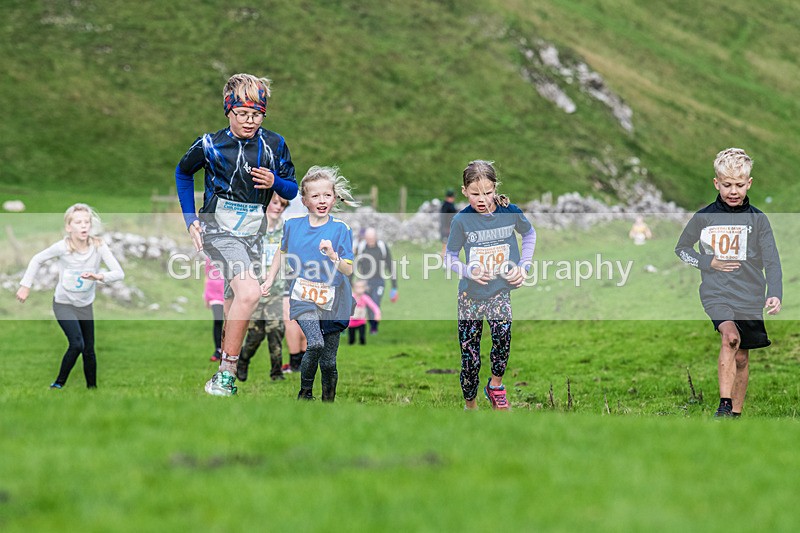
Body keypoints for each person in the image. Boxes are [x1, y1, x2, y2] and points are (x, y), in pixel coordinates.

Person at [175, 73, 298, 396]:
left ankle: (220, 376)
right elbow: (183, 172)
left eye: (256, 114)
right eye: (242, 114)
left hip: (252, 235)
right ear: (228, 110)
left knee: (234, 301)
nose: (249, 121)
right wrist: (191, 220)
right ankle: (227, 373)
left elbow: (292, 189)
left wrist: (274, 182)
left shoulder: (275, 145)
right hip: (218, 231)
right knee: (249, 293)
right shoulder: (210, 145)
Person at [675, 148, 782, 418]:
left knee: (743, 357)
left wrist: (775, 293)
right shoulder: (704, 217)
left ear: (749, 183)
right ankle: (723, 405)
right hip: (716, 291)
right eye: (726, 185)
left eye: (738, 185)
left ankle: (735, 414)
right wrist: (707, 263)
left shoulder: (759, 220)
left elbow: (772, 260)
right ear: (716, 183)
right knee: (731, 337)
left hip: (749, 293)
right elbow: (682, 249)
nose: (732, 191)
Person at [261, 166, 358, 402]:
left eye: (327, 195)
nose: (322, 200)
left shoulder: (341, 229)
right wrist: (270, 278)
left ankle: (327, 402)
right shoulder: (293, 226)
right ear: (304, 200)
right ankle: (305, 393)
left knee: (329, 360)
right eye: (315, 196)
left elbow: (348, 268)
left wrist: (334, 255)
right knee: (314, 343)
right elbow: (281, 253)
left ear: (334, 197)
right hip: (303, 296)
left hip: (334, 300)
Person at [445, 160, 536, 411]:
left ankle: (495, 386)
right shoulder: (461, 221)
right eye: (475, 194)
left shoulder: (510, 213)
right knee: (470, 356)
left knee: (502, 336)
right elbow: (450, 256)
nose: (482, 199)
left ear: (495, 188)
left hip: (499, 291)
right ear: (464, 191)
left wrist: (523, 267)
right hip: (470, 296)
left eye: (487, 192)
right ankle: (470, 405)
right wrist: (467, 270)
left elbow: (529, 234)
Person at [16, 203, 125, 389]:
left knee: (89, 350)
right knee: (76, 344)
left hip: (85, 304)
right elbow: (37, 259)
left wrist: (99, 276)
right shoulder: (62, 247)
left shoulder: (99, 246)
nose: (83, 226)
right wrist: (25, 286)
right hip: (63, 303)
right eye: (78, 222)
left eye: (86, 222)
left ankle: (92, 390)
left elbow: (119, 273)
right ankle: (58, 384)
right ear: (69, 227)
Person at [237, 194, 289, 382]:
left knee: (276, 330)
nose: (278, 207)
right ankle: (242, 361)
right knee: (255, 335)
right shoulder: (254, 228)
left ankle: (276, 373)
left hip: (276, 291)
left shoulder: (286, 230)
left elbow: (288, 257)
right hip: (255, 290)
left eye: (283, 205)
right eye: (275, 203)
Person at [354, 227, 398, 334]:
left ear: (376, 237)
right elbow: (355, 264)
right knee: (367, 304)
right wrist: (352, 281)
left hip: (379, 280)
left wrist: (394, 287)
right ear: (365, 238)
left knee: (375, 302)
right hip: (365, 281)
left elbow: (390, 265)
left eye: (372, 238)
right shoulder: (361, 247)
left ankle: (374, 328)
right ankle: (368, 325)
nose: (370, 240)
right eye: (368, 238)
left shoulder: (382, 247)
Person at [203, 256, 225, 362]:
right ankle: (218, 349)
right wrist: (205, 296)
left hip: (227, 292)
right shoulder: (209, 256)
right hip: (213, 294)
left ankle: (230, 350)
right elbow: (206, 276)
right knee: (218, 321)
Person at [348, 279, 381, 345]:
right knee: (351, 340)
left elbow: (373, 306)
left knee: (362, 338)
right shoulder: (351, 297)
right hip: (351, 322)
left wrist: (377, 314)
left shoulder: (365, 298)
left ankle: (362, 346)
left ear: (364, 288)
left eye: (361, 287)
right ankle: (351, 346)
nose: (359, 289)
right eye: (357, 287)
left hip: (361, 322)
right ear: (354, 288)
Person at [440, 188, 458, 256]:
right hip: (447, 227)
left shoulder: (449, 205)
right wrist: (447, 227)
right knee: (446, 243)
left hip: (450, 226)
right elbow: (444, 218)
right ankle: (444, 257)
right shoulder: (446, 206)